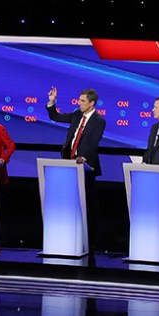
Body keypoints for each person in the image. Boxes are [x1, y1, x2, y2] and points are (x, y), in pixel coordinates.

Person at [46, 86, 105, 254]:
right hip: (68, 164)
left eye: (82, 101)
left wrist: (84, 157)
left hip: (85, 167)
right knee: (68, 201)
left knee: (86, 204)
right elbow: (56, 116)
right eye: (79, 100)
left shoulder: (99, 121)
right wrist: (51, 102)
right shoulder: (77, 115)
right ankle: (68, 237)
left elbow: (93, 142)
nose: (79, 103)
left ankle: (88, 242)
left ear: (92, 103)